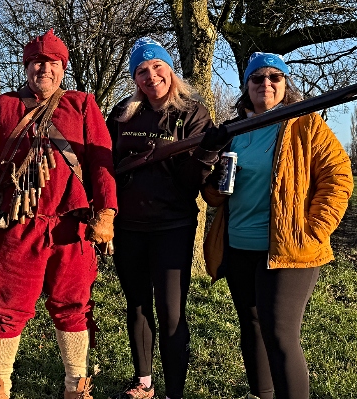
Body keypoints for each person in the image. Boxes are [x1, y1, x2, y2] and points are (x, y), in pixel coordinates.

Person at [0, 29, 117, 399]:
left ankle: (76, 385)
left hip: (72, 224)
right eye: (36, 62)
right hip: (17, 225)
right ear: (27, 66)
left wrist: (107, 211)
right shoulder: (1, 106)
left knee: (73, 304)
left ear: (62, 67)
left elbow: (100, 159)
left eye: (51, 63)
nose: (43, 69)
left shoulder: (82, 105)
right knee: (7, 305)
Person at [202, 52, 353, 399]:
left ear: (286, 84)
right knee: (251, 328)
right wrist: (211, 172)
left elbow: (338, 177)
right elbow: (214, 197)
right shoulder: (234, 130)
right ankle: (263, 395)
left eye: (275, 77)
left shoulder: (305, 124)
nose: (266, 84)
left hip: (288, 248)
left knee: (280, 335)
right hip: (239, 245)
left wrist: (315, 229)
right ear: (246, 85)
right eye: (258, 78)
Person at [105, 37, 215, 399]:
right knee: (136, 304)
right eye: (141, 70)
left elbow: (189, 183)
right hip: (129, 226)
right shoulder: (123, 113)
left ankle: (174, 392)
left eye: (157, 67)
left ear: (171, 70)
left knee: (171, 313)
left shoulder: (193, 114)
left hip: (173, 225)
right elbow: (106, 166)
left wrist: (205, 156)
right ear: (134, 78)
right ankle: (144, 382)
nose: (151, 76)